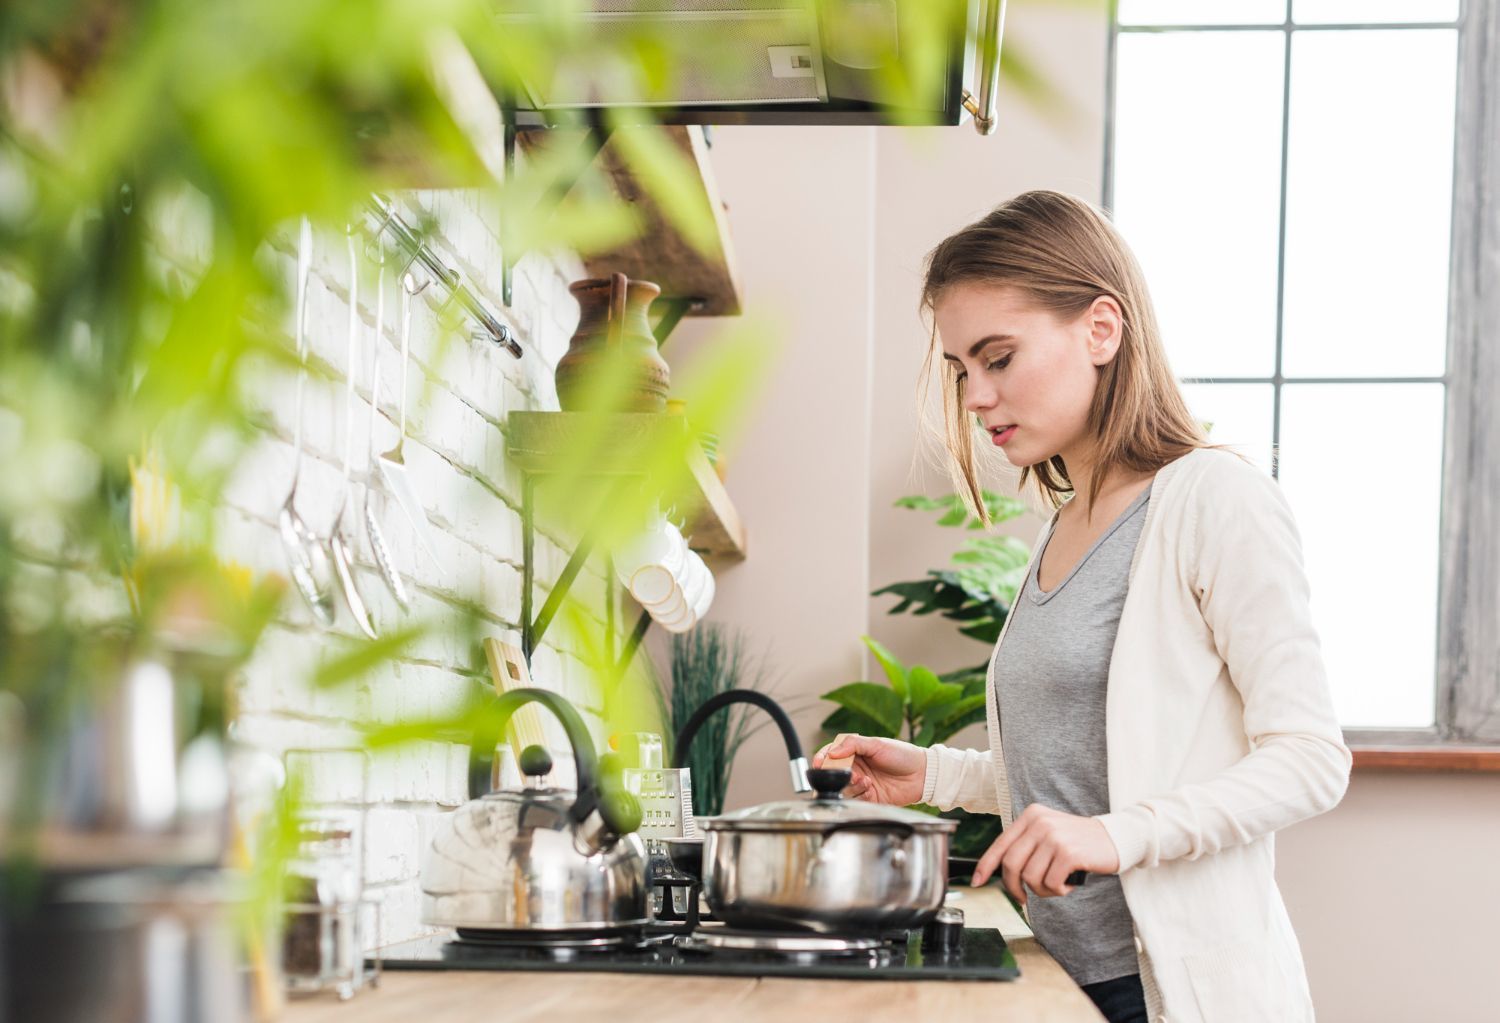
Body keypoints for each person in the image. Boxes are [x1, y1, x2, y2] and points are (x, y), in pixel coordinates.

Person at [815, 190, 1350, 1023]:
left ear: (1101, 329)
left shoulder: (1214, 499)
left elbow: (1312, 757)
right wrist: (937, 775)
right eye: (962, 369)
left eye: (998, 358)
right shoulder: (1063, 525)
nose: (974, 398)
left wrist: (1117, 836)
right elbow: (1098, 766)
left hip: (1169, 992)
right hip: (1067, 980)